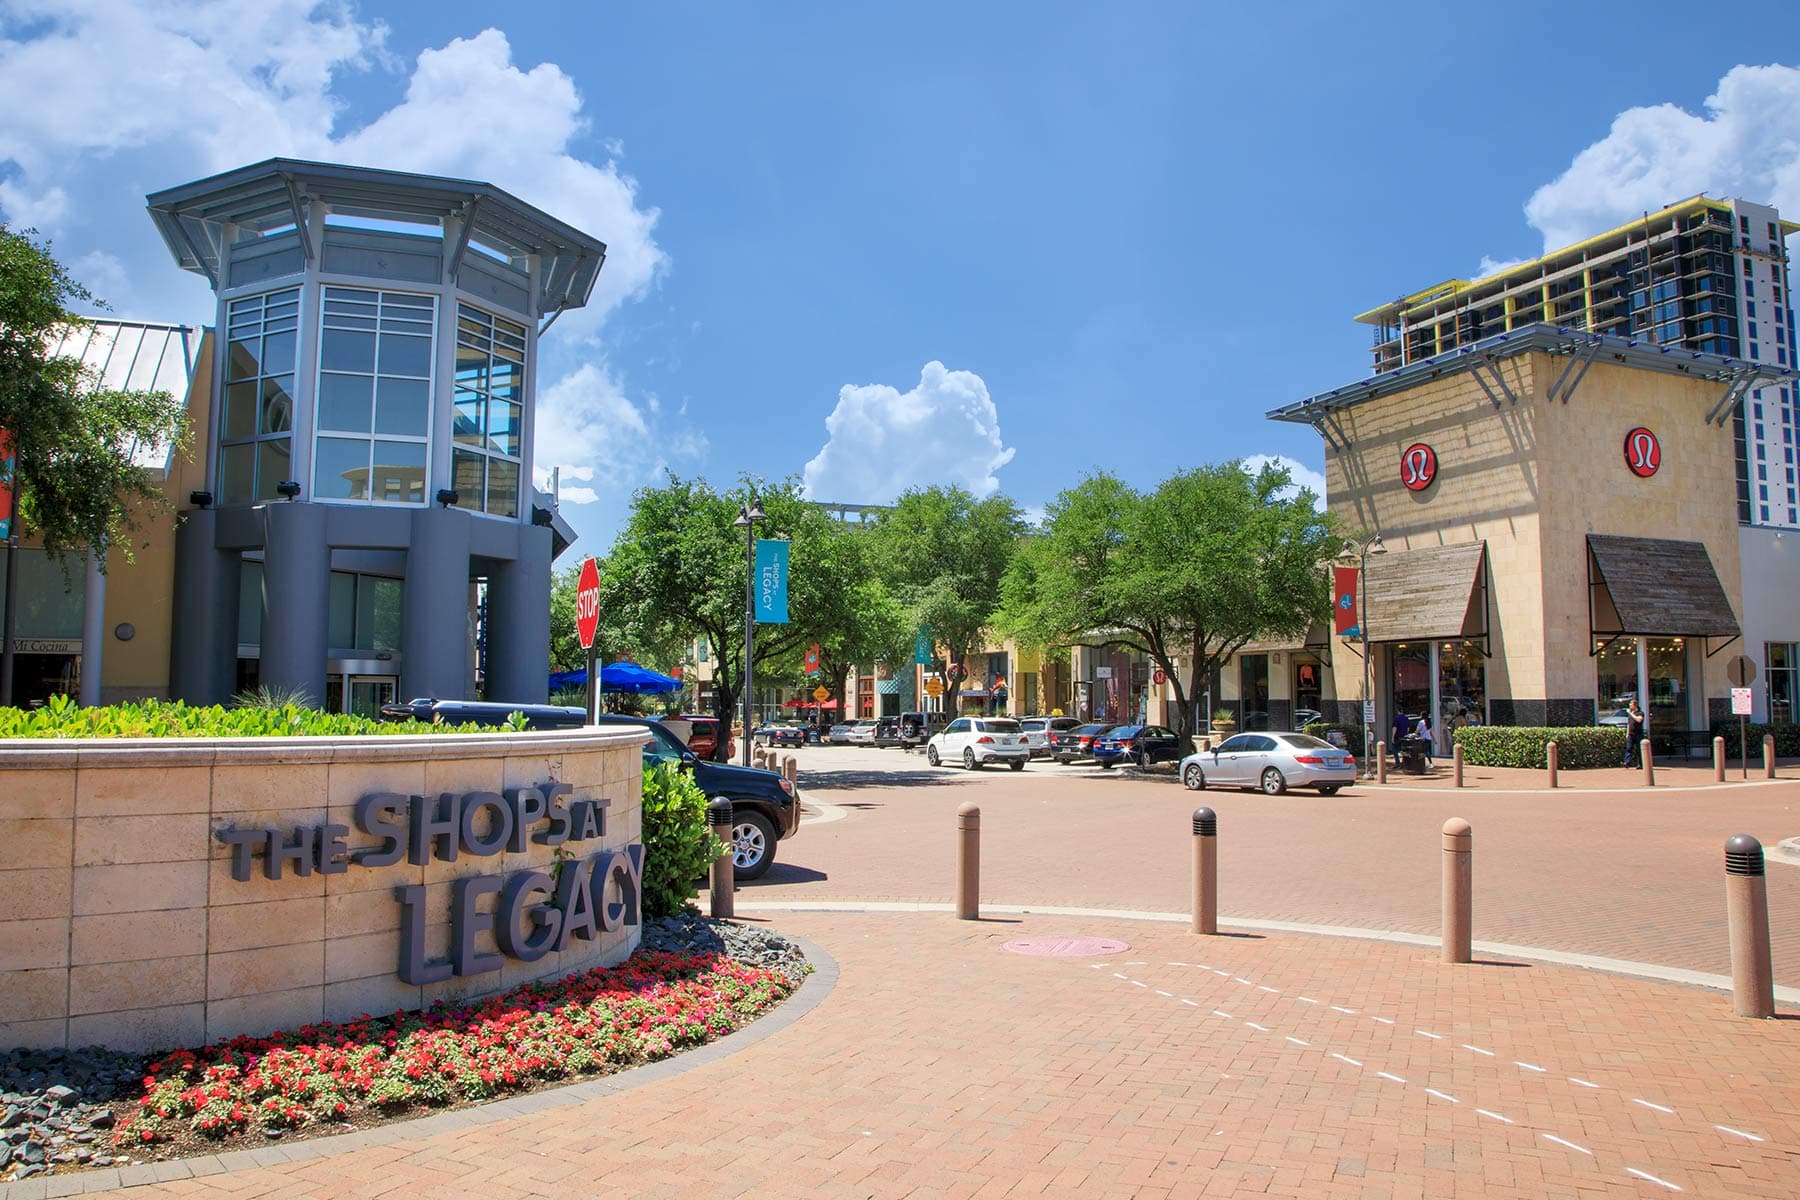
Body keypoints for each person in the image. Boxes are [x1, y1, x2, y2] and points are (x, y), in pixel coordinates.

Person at [1623, 699, 1647, 767]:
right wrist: (1627, 733)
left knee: (1639, 749)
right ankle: (1627, 762)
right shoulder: (1631, 714)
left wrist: (1631, 714)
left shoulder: (1640, 713)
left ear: (1635, 705)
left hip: (1638, 734)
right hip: (1631, 734)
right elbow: (1629, 724)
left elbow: (1639, 720)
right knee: (1629, 748)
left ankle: (1640, 764)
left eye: (1631, 705)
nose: (1630, 706)